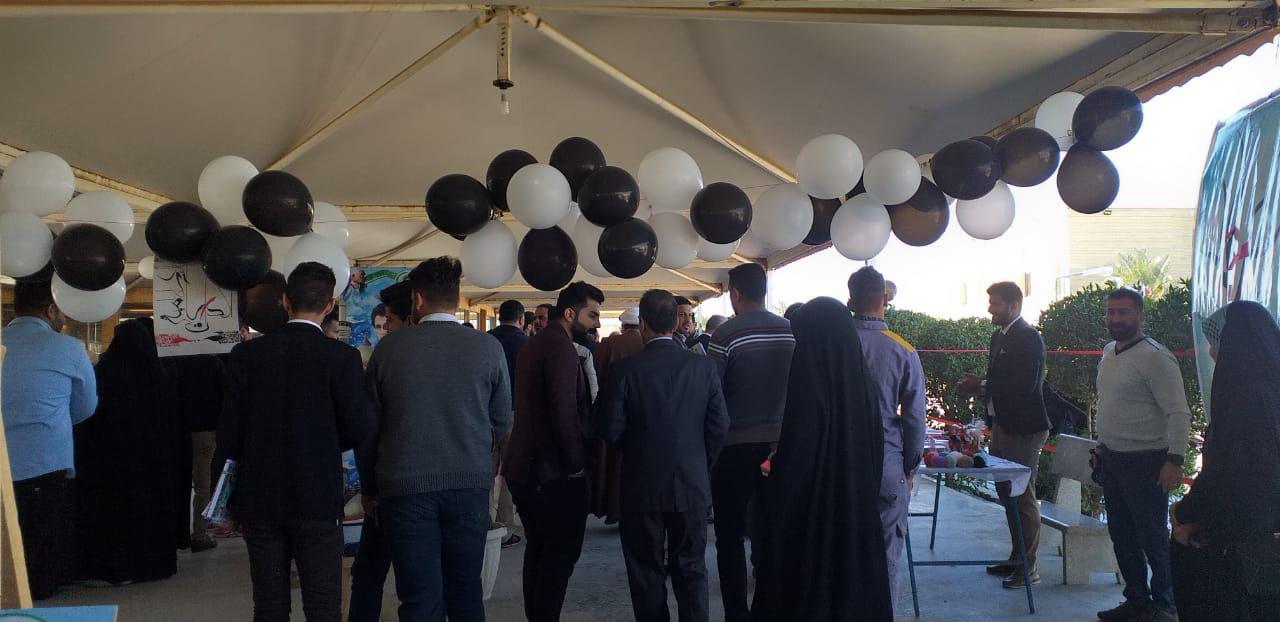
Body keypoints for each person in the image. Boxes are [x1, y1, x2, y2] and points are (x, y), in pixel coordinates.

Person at [218, 262, 375, 621]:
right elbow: (360, 427)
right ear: (330, 305)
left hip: (258, 495)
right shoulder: (342, 358)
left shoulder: (246, 355)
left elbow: (229, 431)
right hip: (318, 494)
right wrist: (325, 440)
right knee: (323, 605)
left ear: (285, 301)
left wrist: (224, 498)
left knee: (269, 604)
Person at [364, 257, 512, 622]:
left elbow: (370, 426)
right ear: (458, 298)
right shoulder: (488, 348)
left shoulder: (389, 350)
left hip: (404, 486)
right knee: (466, 591)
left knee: (419, 597)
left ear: (417, 298)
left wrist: (370, 486)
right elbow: (501, 420)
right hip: (469, 484)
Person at [596, 289, 729, 622]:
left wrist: (637, 450)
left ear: (642, 323)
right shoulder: (704, 368)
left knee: (645, 569)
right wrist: (700, 461)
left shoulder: (625, 371)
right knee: (692, 567)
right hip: (691, 483)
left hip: (641, 484)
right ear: (676, 322)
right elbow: (719, 426)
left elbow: (610, 427)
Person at [756, 298, 892, 621]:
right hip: (856, 512)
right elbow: (875, 449)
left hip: (813, 522)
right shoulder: (863, 384)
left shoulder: (809, 378)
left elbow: (798, 459)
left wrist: (775, 475)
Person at [1170, 301, 1280, 620]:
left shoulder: (1247, 399)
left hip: (1243, 545)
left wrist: (1187, 514)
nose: (1211, 351)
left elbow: (1231, 474)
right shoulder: (1270, 389)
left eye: (1218, 341)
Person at [503, 281, 603, 622]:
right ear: (571, 313)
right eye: (593, 315)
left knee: (540, 552)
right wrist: (576, 466)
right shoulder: (560, 348)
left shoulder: (537, 342)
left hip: (527, 467)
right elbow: (564, 412)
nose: (597, 324)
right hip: (550, 472)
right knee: (558, 558)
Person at [1091, 288, 1190, 622]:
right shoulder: (1109, 352)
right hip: (1113, 460)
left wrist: (1174, 460)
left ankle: (1166, 606)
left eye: (1124, 312)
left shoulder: (1156, 357)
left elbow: (1178, 412)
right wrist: (1101, 447)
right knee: (1122, 537)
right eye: (1111, 312)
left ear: (1140, 315)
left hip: (1147, 462)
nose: (1116, 318)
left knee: (1153, 539)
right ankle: (1137, 602)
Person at [706, 263, 795, 622]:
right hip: (779, 451)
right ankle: (769, 608)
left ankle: (736, 613)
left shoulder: (725, 335)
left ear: (735, 294)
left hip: (734, 450)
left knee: (729, 535)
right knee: (772, 529)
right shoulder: (790, 331)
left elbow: (713, 395)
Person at [1, 280, 98, 600]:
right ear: (51, 309)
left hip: (4, 462)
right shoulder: (67, 348)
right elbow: (86, 407)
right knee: (43, 542)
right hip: (46, 459)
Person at [958, 281, 1051, 589]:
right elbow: (1000, 379)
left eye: (995, 303)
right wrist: (978, 383)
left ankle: (1029, 568)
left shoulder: (1029, 337)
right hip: (1001, 424)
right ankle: (1017, 558)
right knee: (1005, 493)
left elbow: (1024, 385)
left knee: (1021, 495)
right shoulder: (999, 336)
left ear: (1014, 305)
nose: (990, 309)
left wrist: (982, 385)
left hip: (1024, 429)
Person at [74, 318, 181, 585]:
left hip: (111, 460)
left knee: (115, 513)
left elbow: (88, 414)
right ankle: (151, 563)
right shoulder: (157, 374)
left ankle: (116, 566)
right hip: (150, 459)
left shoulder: (105, 373)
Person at [848, 267, 926, 610]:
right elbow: (914, 419)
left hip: (840, 465)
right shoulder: (903, 350)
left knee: (842, 552)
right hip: (886, 465)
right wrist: (909, 466)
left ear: (850, 299)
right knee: (886, 557)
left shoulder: (834, 346)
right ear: (885, 298)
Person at [347, 288, 418, 622]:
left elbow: (368, 428)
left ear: (409, 318)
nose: (385, 327)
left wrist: (370, 486)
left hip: (391, 483)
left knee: (371, 569)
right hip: (421, 485)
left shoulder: (385, 357)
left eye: (390, 319)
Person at [590, 306, 646, 524]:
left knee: (612, 464)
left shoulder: (607, 345)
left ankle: (614, 508)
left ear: (623, 326)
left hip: (611, 413)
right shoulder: (646, 343)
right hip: (642, 416)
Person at [487, 300, 528, 549]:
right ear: (521, 319)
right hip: (516, 414)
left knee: (486, 472)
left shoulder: (486, 341)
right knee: (510, 472)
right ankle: (504, 529)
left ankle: (483, 523)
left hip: (485, 414)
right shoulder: (527, 344)